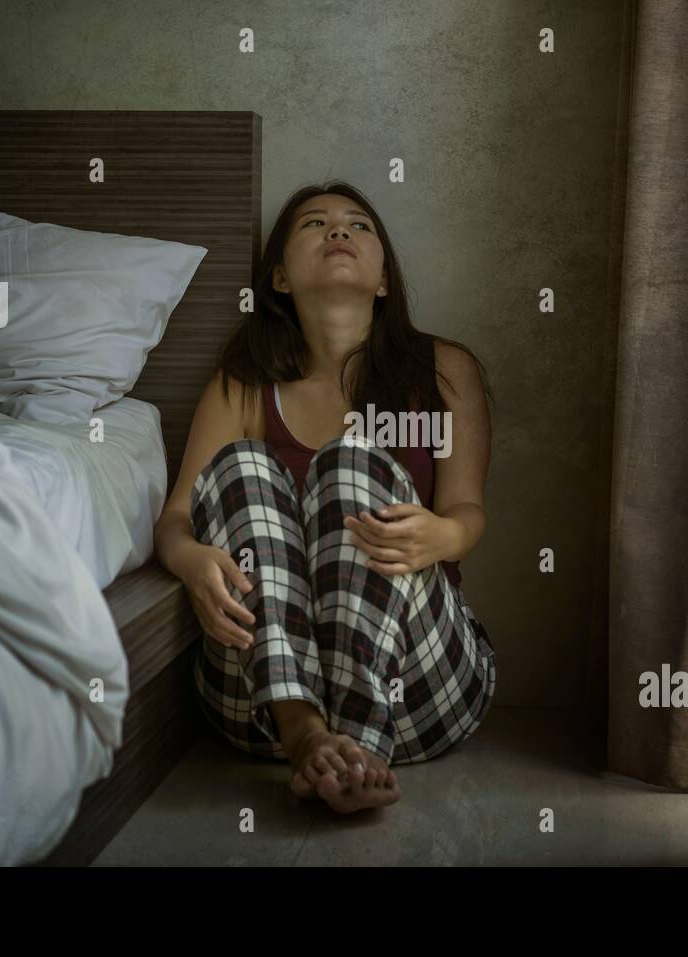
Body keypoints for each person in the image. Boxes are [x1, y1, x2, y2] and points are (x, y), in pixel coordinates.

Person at [154, 183, 496, 813]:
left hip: (419, 692)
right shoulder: (245, 382)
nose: (338, 231)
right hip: (260, 708)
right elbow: (176, 520)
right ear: (281, 276)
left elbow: (468, 512)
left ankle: (359, 745)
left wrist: (442, 536)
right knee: (242, 463)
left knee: (350, 460)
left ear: (385, 278)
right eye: (315, 223)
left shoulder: (443, 369)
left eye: (358, 226)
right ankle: (311, 735)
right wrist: (190, 560)